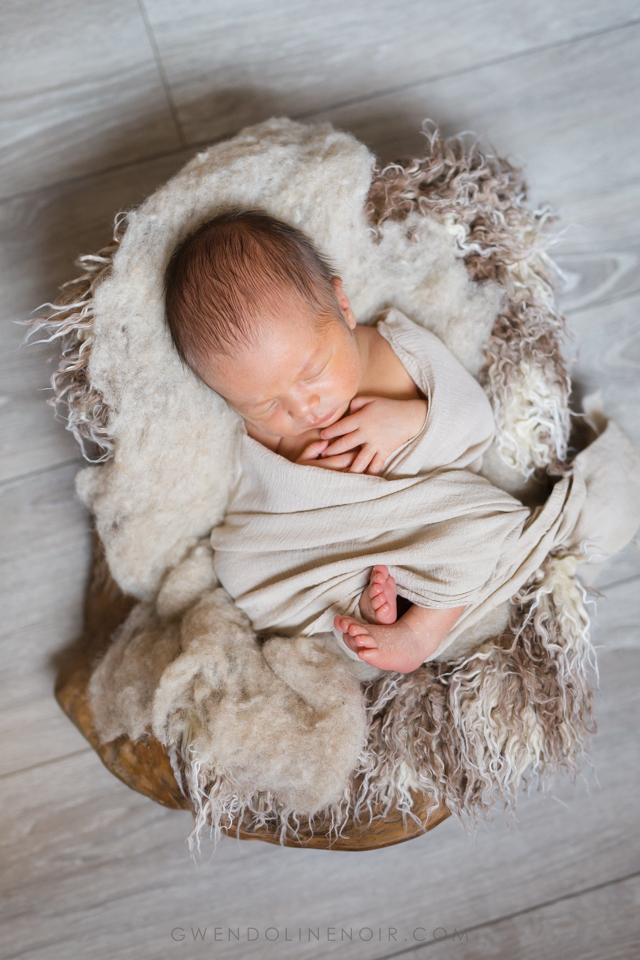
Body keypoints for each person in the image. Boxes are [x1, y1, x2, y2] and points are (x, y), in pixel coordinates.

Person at [164, 209, 635, 673]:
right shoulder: (259, 412)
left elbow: (475, 422)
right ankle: (366, 615)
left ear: (342, 307)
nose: (304, 409)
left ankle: (420, 630)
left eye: (313, 373)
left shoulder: (397, 353)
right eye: (266, 406)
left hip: (425, 523)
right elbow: (259, 493)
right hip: (325, 545)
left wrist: (413, 420)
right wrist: (296, 471)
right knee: (239, 563)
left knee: (481, 525)